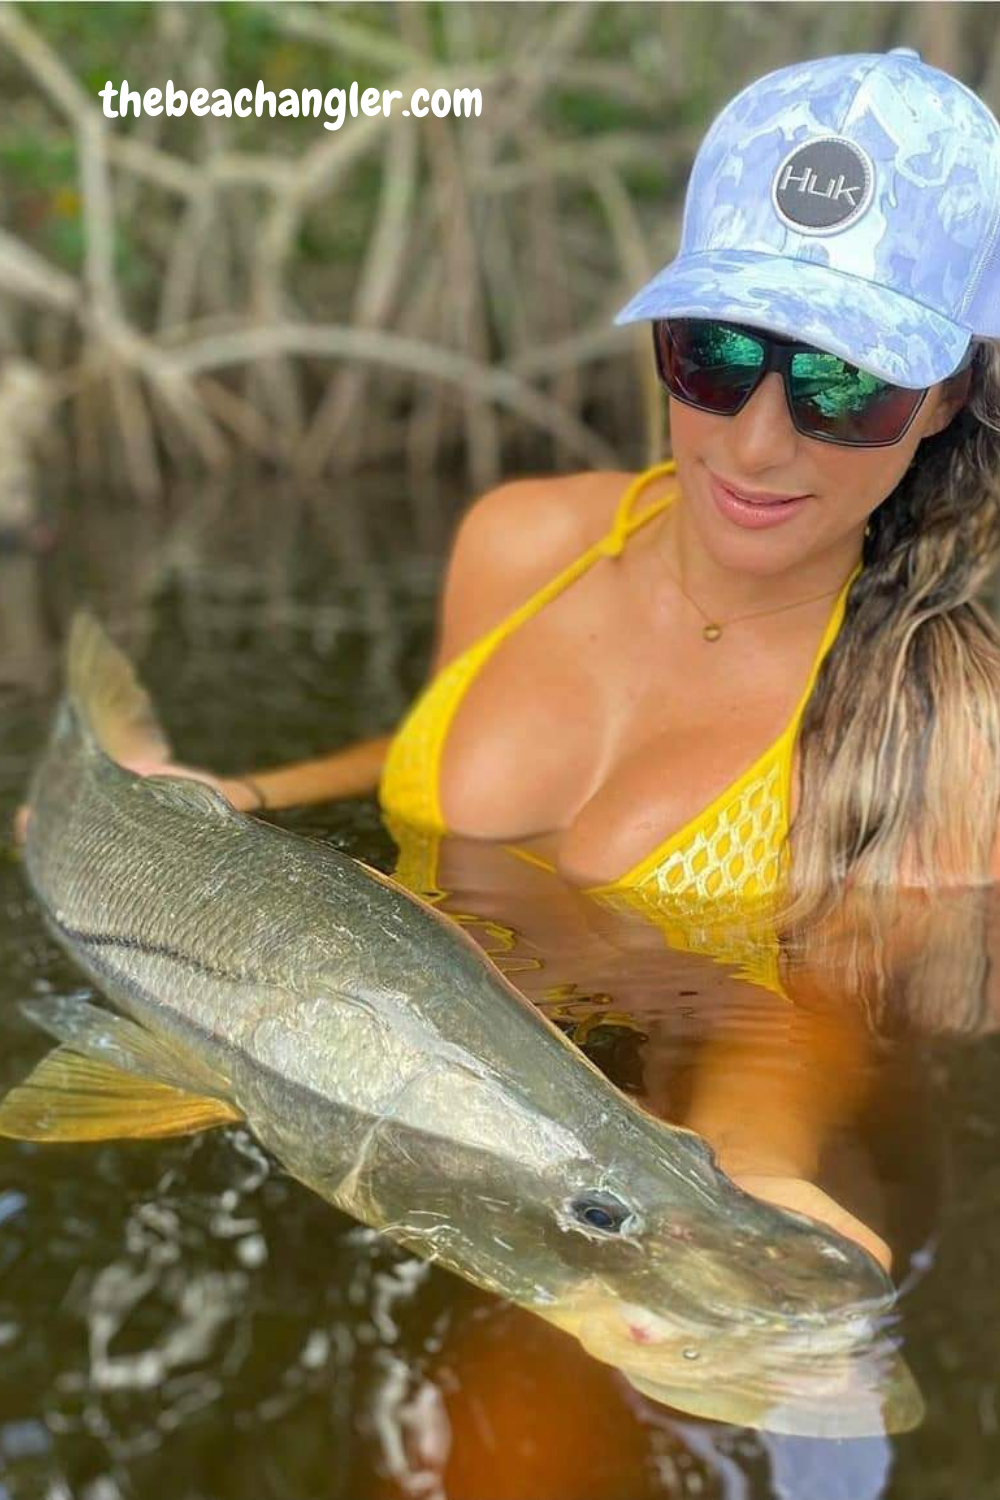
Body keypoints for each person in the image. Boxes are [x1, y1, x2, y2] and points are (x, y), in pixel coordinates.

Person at [20, 49, 1000, 1266]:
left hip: (615, 1172)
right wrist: (246, 799)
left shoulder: (941, 726)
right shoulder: (521, 538)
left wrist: (747, 1175)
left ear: (949, 390)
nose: (754, 444)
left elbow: (817, 1025)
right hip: (359, 1069)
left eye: (839, 384)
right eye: (716, 355)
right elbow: (425, 743)